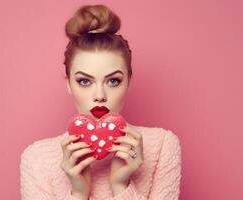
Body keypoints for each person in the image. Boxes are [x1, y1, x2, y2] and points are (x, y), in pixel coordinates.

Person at [20, 4, 182, 200]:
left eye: (113, 81)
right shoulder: (37, 159)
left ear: (128, 82)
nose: (99, 95)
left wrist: (121, 186)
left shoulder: (162, 146)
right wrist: (78, 194)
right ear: (69, 84)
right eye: (84, 81)